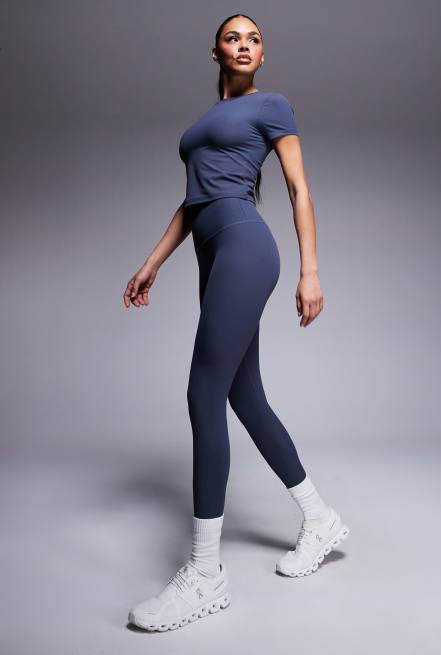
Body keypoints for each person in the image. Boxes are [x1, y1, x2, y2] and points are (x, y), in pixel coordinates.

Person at [123, 14, 350, 633]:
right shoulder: (207, 122)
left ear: (262, 55)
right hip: (212, 250)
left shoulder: (271, 106)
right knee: (243, 395)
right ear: (216, 51)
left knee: (203, 393)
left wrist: (310, 271)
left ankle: (205, 575)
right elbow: (193, 201)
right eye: (233, 37)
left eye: (254, 39)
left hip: (246, 247)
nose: (244, 45)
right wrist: (152, 263)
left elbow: (298, 189)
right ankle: (320, 518)